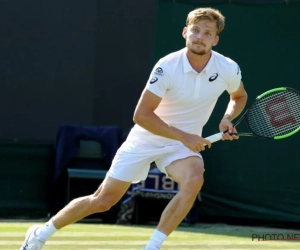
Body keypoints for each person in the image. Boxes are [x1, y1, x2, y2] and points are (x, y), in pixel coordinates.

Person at [20, 7, 248, 250]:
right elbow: (141, 115)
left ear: (215, 39)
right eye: (195, 30)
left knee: (194, 180)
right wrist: (185, 136)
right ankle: (40, 233)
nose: (200, 37)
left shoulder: (227, 68)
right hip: (147, 138)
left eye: (207, 33)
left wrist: (226, 118)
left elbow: (239, 96)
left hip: (181, 146)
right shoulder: (167, 66)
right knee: (103, 200)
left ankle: (152, 247)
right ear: (185, 33)